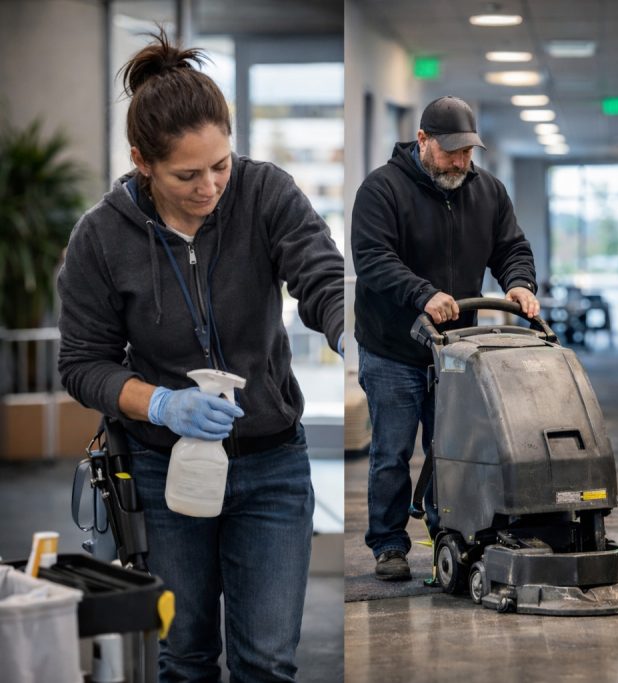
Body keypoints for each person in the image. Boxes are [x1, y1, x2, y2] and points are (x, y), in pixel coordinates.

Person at [57, 29, 345, 682]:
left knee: (266, 660)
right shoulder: (101, 238)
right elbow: (82, 363)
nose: (212, 185)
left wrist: (352, 329)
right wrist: (159, 402)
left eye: (221, 164)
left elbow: (321, 276)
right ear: (142, 162)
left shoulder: (266, 192)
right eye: (188, 174)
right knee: (180, 656)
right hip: (161, 473)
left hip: (271, 465)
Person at [351, 95, 539, 581]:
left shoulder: (488, 191)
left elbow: (511, 246)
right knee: (392, 452)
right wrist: (422, 293)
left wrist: (519, 281)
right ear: (423, 141)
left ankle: (448, 535)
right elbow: (373, 259)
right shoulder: (382, 190)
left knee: (452, 449)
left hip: (456, 350)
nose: (461, 161)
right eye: (452, 151)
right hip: (393, 347)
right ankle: (389, 544)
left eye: (467, 152)